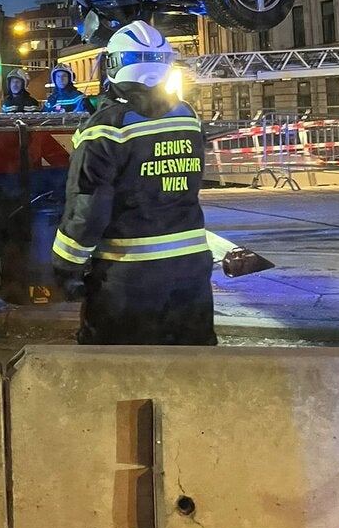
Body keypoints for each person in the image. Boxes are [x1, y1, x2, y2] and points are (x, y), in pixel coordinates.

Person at [50, 20, 216, 346]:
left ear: (114, 65)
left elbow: (88, 207)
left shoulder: (104, 128)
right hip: (191, 271)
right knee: (195, 373)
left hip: (128, 276)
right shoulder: (186, 116)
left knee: (120, 375)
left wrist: (65, 266)